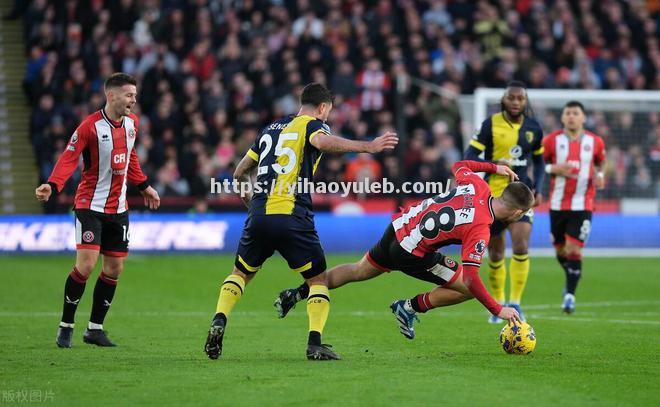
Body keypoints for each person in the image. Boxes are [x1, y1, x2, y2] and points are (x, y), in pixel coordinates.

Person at [204, 83, 398, 361]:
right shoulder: (312, 125)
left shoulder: (269, 130)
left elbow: (239, 173)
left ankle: (220, 318)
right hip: (293, 214)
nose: (327, 118)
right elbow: (322, 142)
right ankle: (314, 343)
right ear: (322, 108)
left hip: (259, 214)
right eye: (327, 113)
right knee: (318, 279)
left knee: (241, 273)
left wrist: (252, 204)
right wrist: (368, 146)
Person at [275, 160, 533, 340]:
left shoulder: (479, 186)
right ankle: (409, 307)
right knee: (468, 290)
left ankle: (295, 294)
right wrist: (497, 309)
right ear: (517, 212)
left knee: (357, 270)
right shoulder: (481, 228)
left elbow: (459, 166)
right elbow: (471, 278)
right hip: (411, 252)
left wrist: (494, 168)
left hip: (398, 227)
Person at [35, 73, 161, 348]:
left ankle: (94, 328)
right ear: (111, 96)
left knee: (114, 269)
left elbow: (130, 157)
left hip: (119, 208)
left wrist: (144, 186)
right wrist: (53, 185)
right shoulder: (89, 127)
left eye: (135, 96)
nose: (133, 101)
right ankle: (66, 325)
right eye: (129, 95)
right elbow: (69, 158)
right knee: (87, 264)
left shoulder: (133, 124)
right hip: (90, 206)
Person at [464, 81, 544, 323]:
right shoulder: (490, 125)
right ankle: (497, 304)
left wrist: (538, 189)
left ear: (525, 101)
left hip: (522, 194)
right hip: (494, 199)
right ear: (504, 100)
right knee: (496, 252)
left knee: (521, 246)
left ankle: (516, 302)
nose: (516, 102)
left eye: (521, 98)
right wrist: (493, 164)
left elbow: (539, 161)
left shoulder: (533, 128)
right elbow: (469, 156)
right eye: (512, 98)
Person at [542, 101, 606, 313]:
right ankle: (572, 273)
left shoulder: (595, 142)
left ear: (583, 118)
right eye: (567, 113)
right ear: (562, 118)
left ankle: (569, 296)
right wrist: (554, 168)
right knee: (561, 250)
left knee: (573, 249)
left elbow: (601, 162)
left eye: (575, 113)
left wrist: (600, 175)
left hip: (583, 204)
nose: (571, 116)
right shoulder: (551, 141)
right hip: (557, 204)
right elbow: (538, 164)